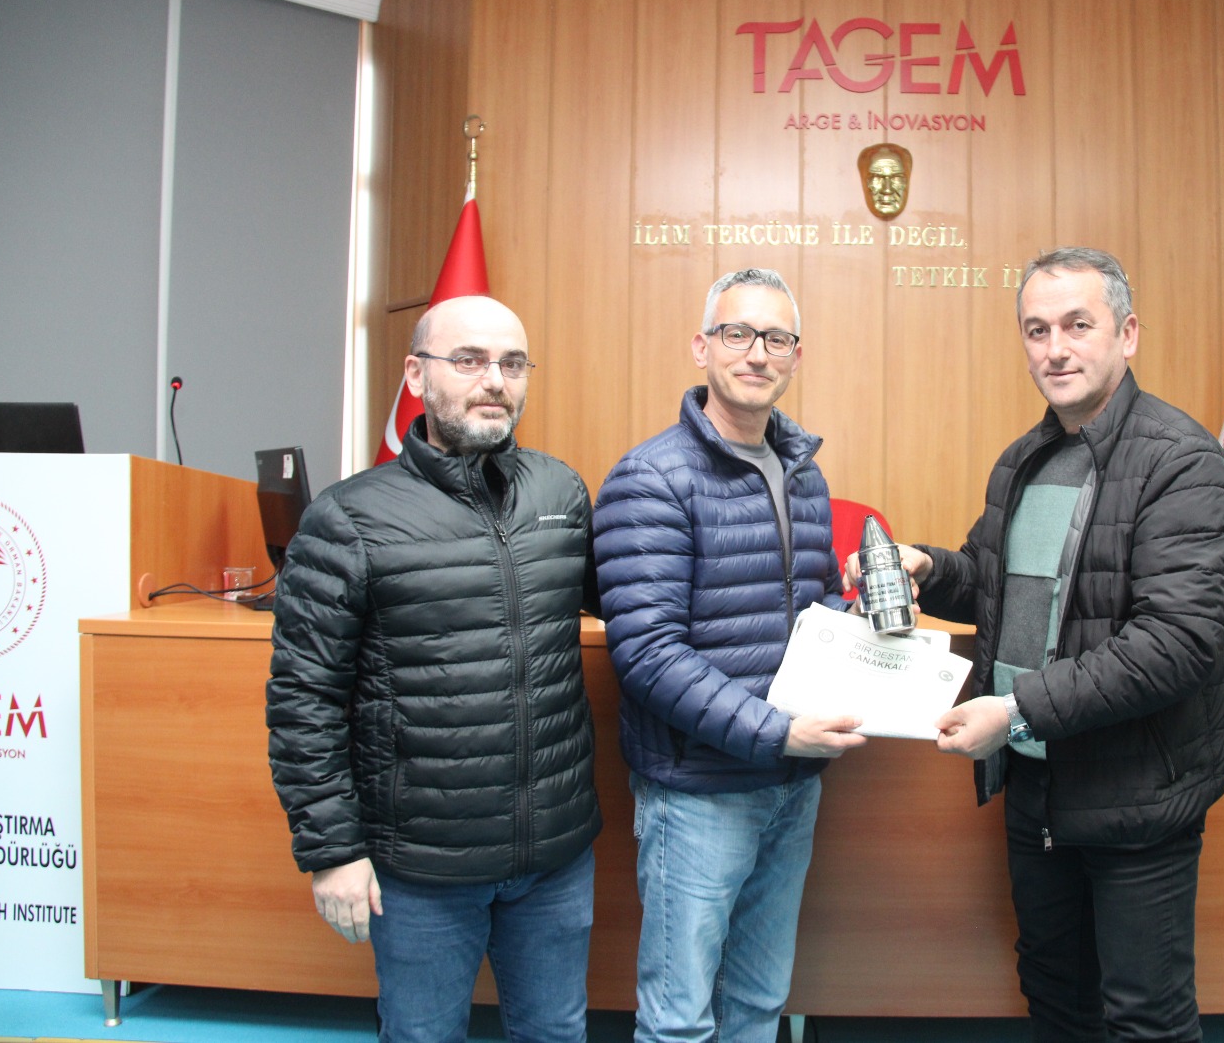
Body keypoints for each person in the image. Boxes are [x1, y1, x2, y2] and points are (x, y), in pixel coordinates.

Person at [847, 247, 1224, 1042]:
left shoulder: (1181, 460)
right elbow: (995, 586)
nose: (1055, 349)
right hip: (1036, 789)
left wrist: (1015, 710)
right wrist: (930, 567)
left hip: (1135, 796)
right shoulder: (1022, 461)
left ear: (1127, 334)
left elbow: (1176, 642)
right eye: (1037, 330)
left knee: (1146, 1019)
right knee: (1056, 1000)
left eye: (1077, 325)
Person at [265, 295, 602, 1043]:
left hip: (554, 853)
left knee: (556, 1032)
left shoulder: (560, 491)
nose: (495, 381)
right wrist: (333, 851)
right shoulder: (348, 518)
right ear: (417, 375)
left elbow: (644, 598)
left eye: (513, 364)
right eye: (469, 360)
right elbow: (303, 700)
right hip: (421, 867)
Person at [592, 268, 866, 1043]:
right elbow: (647, 653)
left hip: (791, 787)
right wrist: (777, 733)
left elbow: (812, 608)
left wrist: (867, 627)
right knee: (679, 1019)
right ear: (702, 346)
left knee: (757, 1003)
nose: (757, 353)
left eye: (776, 338)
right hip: (699, 793)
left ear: (796, 355)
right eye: (737, 333)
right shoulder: (650, 478)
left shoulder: (804, 473)